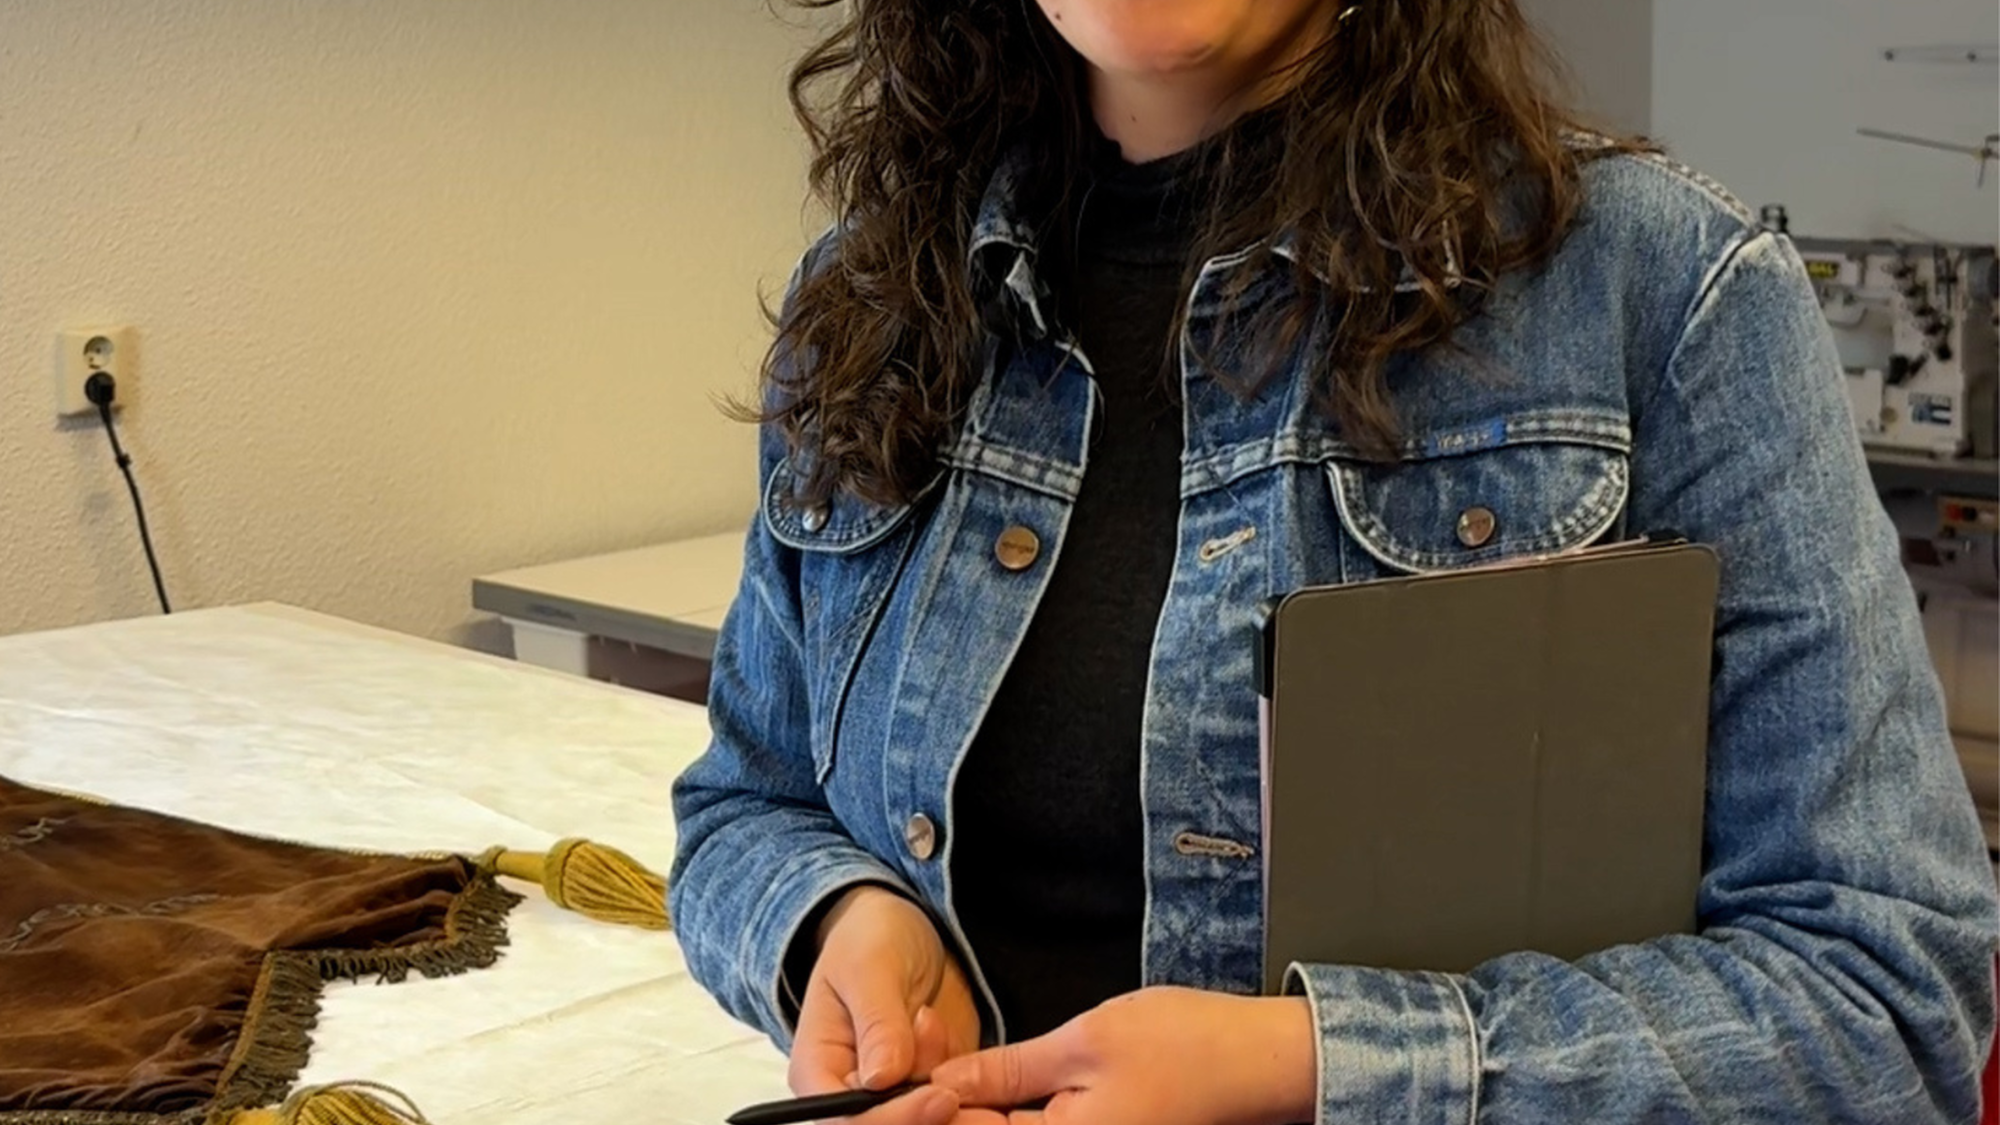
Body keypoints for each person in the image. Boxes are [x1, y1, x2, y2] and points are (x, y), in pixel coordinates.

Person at [669, 1, 2000, 1121]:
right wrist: (834, 921)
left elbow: (1885, 999)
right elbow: (742, 806)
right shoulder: (872, 296)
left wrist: (1309, 1070)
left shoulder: (1661, 290)